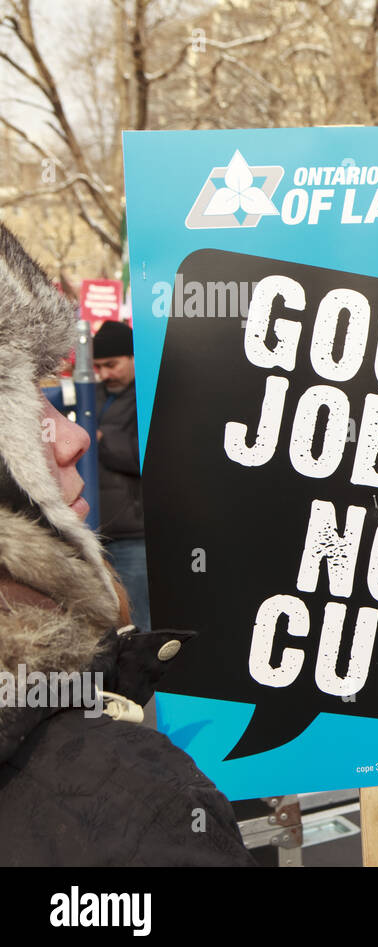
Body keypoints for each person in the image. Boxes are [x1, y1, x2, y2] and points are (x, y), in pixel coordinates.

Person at [0, 224, 252, 864]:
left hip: (136, 540)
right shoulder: (137, 806)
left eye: (49, 397)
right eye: (23, 406)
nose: (69, 440)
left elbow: (155, 454)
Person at [93, 319, 151, 631]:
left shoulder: (148, 395)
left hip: (133, 536)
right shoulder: (95, 395)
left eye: (112, 364)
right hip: (96, 533)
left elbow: (147, 456)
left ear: (132, 357)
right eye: (99, 367)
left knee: (139, 622)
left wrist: (101, 439)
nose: (105, 374)